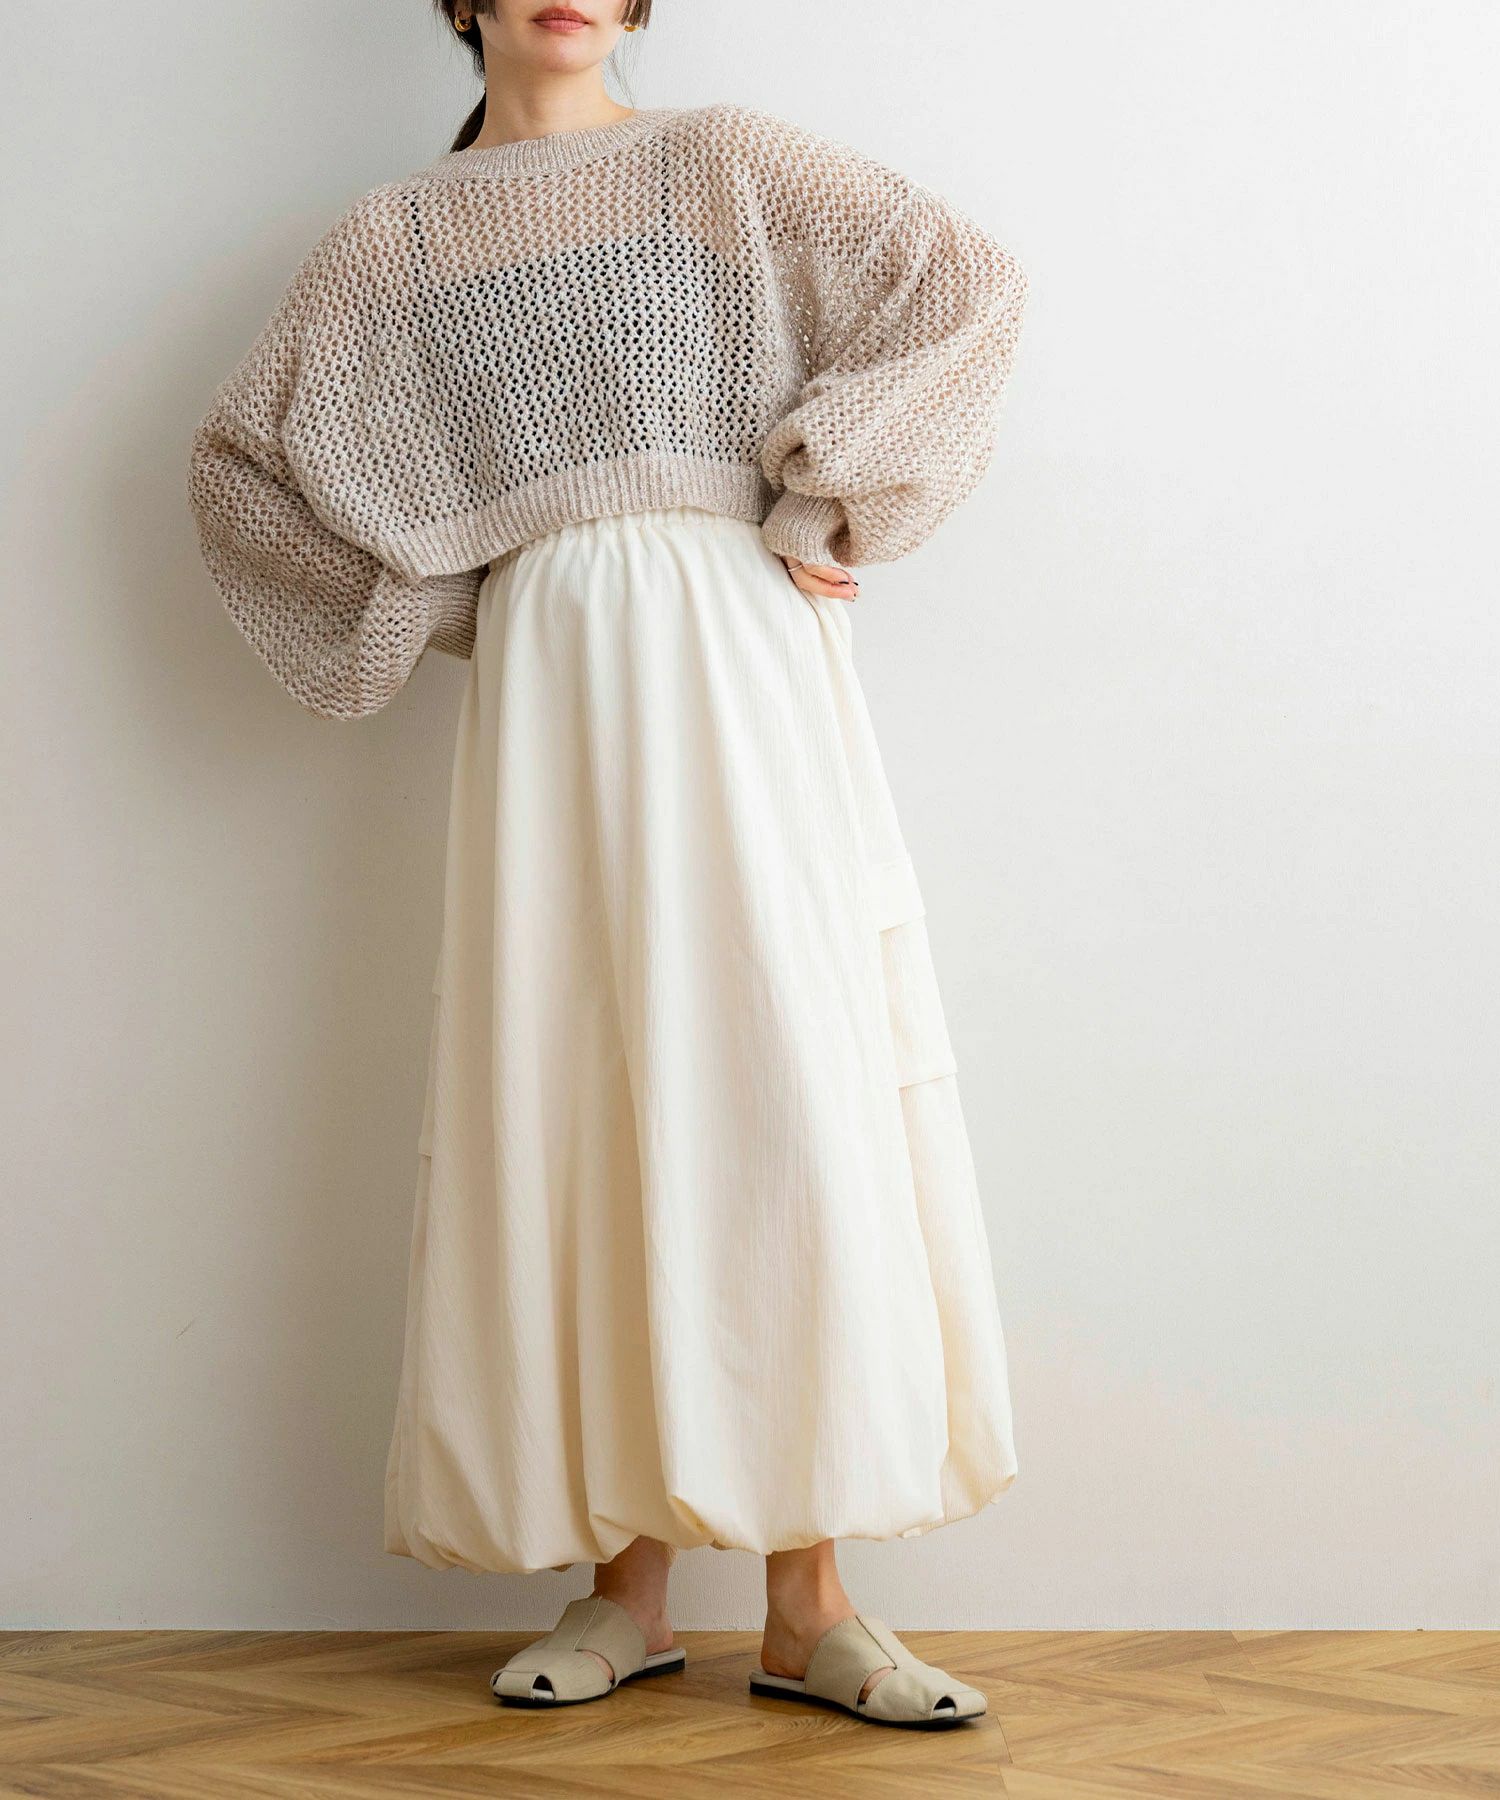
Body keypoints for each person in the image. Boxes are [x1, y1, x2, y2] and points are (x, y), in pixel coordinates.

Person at [187, 0, 1028, 1732]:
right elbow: (245, 472)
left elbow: (964, 282)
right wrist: (453, 590)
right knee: (585, 1087)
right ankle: (626, 1594)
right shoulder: (397, 241)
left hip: (742, 647)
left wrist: (829, 495)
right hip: (554, 690)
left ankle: (809, 1608)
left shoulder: (720, 163)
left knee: (786, 1074)